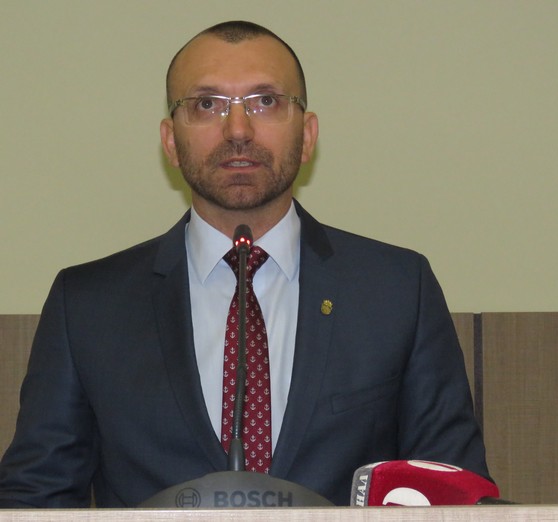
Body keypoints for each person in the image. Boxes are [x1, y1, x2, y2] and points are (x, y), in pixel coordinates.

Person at [0, 20, 491, 508]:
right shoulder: (88, 305)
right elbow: (34, 500)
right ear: (170, 142)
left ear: (308, 135)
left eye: (266, 101)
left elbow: (456, 499)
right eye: (207, 105)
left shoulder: (397, 291)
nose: (238, 130)